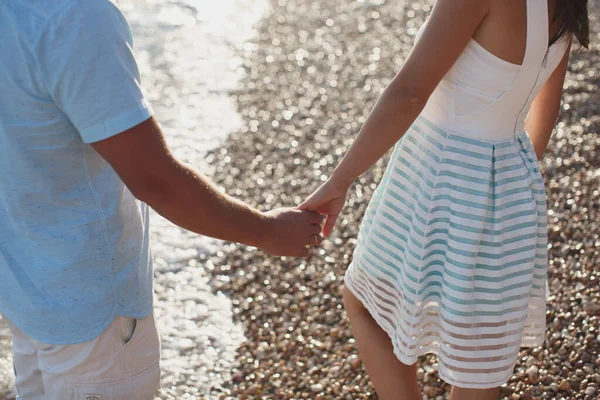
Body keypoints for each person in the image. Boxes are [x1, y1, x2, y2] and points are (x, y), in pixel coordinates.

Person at [0, 0, 324, 399]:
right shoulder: (72, 16)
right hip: (87, 304)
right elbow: (156, 181)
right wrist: (268, 231)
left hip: (21, 287)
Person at [300, 0, 589, 399]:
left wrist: (339, 181)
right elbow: (547, 107)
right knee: (480, 356)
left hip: (435, 172)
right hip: (511, 181)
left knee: (368, 302)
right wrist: (510, 182)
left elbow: (409, 93)